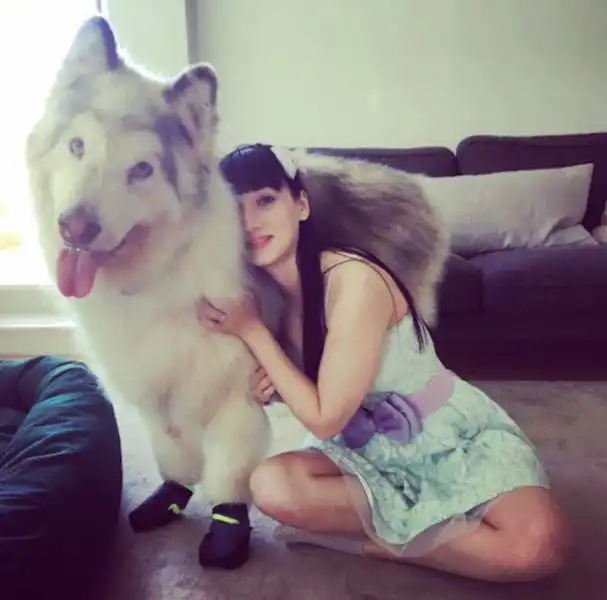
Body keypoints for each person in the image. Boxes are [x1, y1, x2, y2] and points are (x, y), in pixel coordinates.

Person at [196, 143, 571, 582]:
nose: (249, 223)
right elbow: (312, 388)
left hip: (441, 435)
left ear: (301, 205)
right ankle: (419, 526)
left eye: (264, 201)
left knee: (538, 547)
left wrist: (253, 331)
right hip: (361, 449)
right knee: (270, 485)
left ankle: (371, 542)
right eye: (235, 209)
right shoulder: (264, 295)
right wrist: (270, 384)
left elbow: (323, 417)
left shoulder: (353, 280)